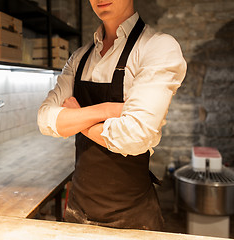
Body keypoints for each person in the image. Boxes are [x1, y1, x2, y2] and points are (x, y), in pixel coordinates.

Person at [37, 0, 187, 231]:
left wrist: (77, 119)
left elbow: (135, 137)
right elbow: (45, 119)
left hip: (133, 216)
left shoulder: (158, 47)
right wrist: (106, 109)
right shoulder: (79, 58)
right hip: (78, 210)